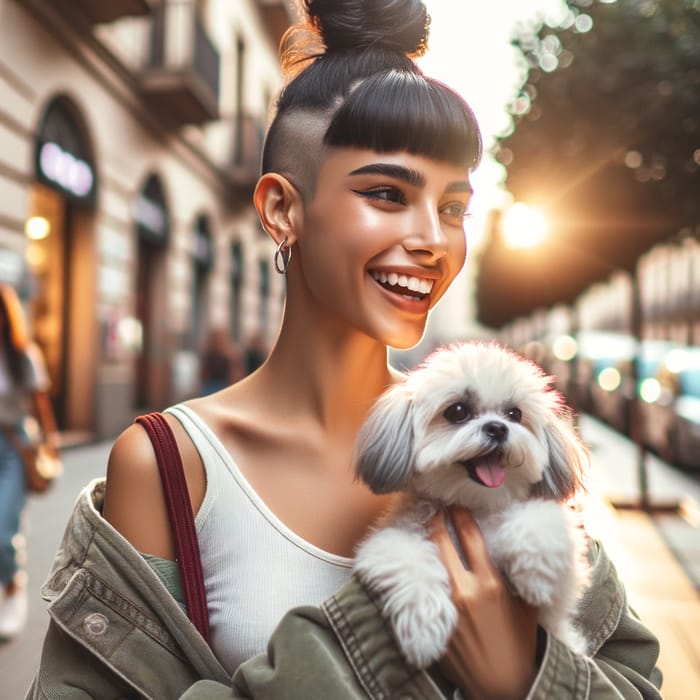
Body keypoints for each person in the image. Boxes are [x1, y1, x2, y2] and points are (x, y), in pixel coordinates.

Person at [28, 0, 663, 697]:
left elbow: (631, 677)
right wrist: (381, 631)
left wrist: (526, 677)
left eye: (453, 207)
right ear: (281, 210)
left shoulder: (504, 452)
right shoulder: (169, 466)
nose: (431, 238)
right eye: (388, 193)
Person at [0, 283, 58, 641]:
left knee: (3, 531)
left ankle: (12, 589)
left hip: (13, 446)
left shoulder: (24, 357)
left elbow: (42, 409)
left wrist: (49, 446)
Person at [199, 328, 244, 395]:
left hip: (225, 387)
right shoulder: (209, 355)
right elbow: (203, 375)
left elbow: (236, 376)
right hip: (211, 388)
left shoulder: (231, 355)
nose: (220, 342)